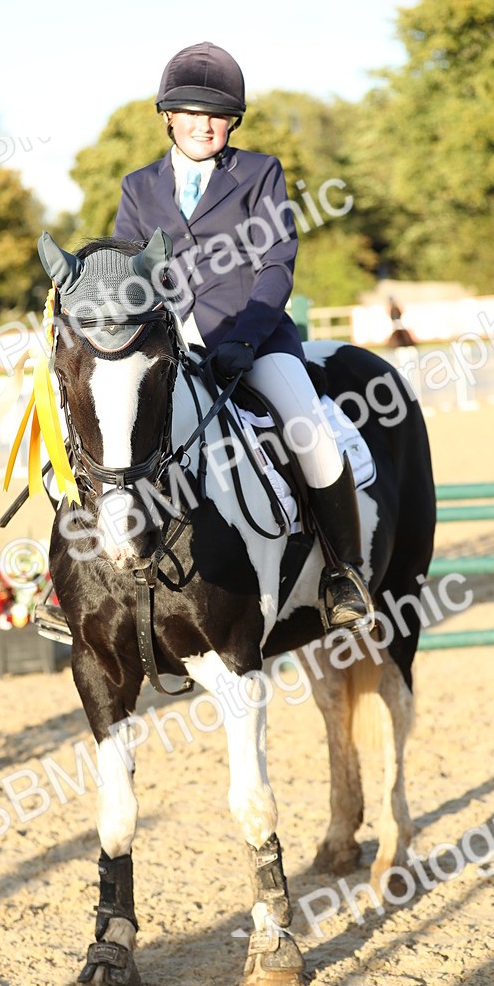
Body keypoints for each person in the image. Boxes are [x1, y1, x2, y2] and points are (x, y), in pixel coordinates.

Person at [112, 41, 374, 632]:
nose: (205, 125)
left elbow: (276, 263)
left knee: (309, 431)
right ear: (168, 116)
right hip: (173, 349)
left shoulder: (259, 173)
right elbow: (131, 271)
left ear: (232, 121)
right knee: (107, 434)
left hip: (254, 341)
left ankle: (344, 573)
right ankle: (78, 580)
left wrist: (246, 340)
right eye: (192, 113)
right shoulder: (138, 187)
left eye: (218, 115)